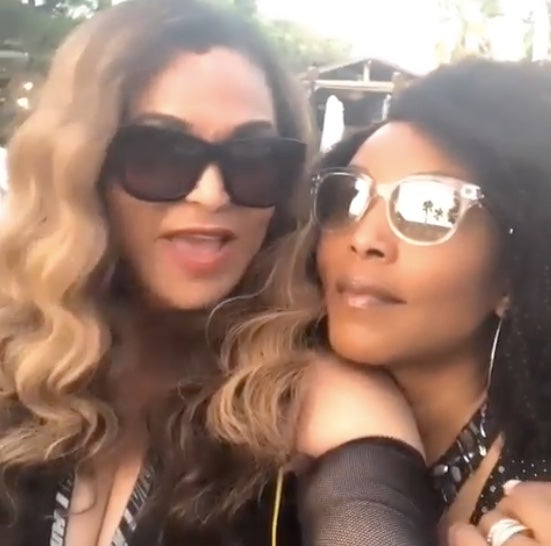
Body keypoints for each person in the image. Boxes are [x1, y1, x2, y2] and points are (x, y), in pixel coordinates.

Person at [0, 1, 441, 545]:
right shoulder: (15, 363)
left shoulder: (319, 400)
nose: (211, 195)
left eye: (253, 158)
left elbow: (368, 510)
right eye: (161, 153)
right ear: (82, 167)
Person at [209, 58, 551, 545]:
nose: (364, 238)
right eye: (349, 195)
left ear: (513, 278)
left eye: (430, 209)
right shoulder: (254, 415)